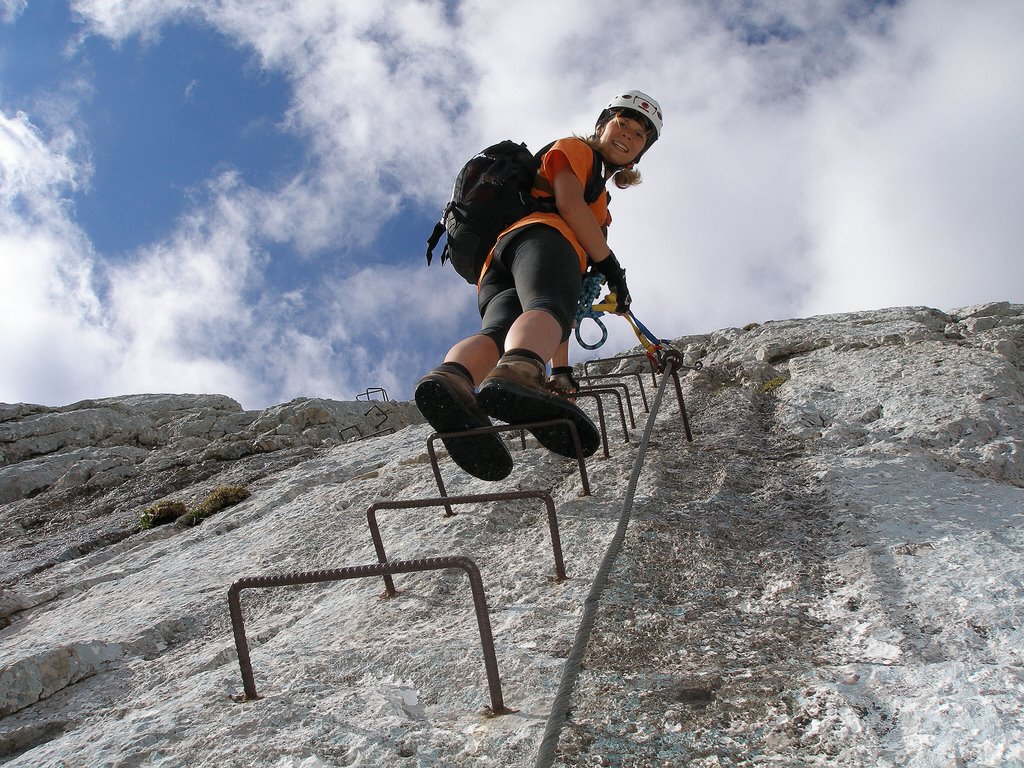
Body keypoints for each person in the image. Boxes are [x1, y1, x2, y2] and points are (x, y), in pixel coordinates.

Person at [415, 91, 664, 481]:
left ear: (640, 152)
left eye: (638, 135)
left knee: (499, 332)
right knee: (546, 308)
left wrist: (560, 370)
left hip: (498, 262)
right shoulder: (575, 150)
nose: (627, 136)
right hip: (544, 241)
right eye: (622, 124)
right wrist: (611, 267)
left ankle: (453, 379)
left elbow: (562, 310)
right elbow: (568, 205)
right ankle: (518, 371)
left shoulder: (596, 188)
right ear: (602, 126)